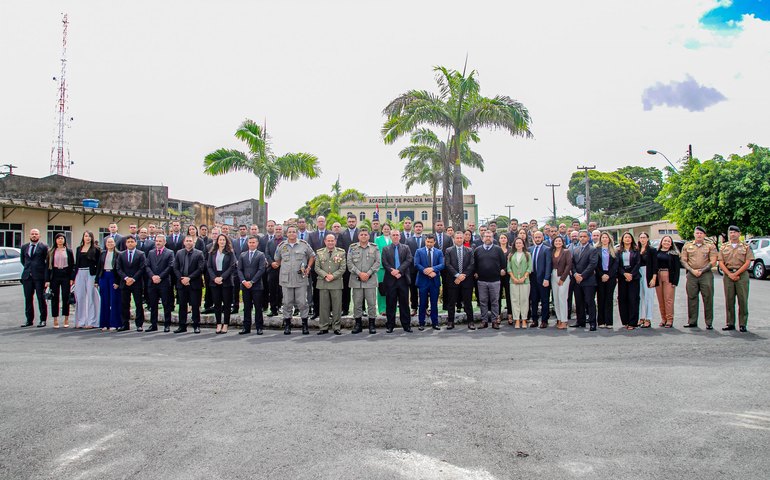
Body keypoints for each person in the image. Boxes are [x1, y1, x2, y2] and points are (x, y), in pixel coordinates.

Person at [274, 225, 316, 335]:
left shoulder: (303, 245)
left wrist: (308, 268)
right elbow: (277, 259)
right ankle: (287, 325)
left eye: (294, 232)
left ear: (296, 233)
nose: (292, 234)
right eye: (290, 232)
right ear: (286, 234)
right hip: (286, 279)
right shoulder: (281, 246)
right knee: (287, 303)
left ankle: (305, 325)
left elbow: (312, 256)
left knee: (302, 302)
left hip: (300, 279)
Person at [681, 226, 718, 329]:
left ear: (704, 235)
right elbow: (683, 260)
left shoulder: (710, 246)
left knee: (708, 298)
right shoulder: (687, 246)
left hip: (705, 274)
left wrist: (702, 270)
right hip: (692, 274)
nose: (699, 235)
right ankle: (692, 321)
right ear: (694, 234)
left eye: (701, 233)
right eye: (697, 233)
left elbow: (713, 260)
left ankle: (709, 322)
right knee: (691, 297)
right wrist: (692, 270)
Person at [718, 225, 753, 332]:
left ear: (739, 234)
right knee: (729, 300)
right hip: (728, 275)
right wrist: (729, 274)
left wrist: (736, 273)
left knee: (742, 300)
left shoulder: (746, 246)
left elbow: (748, 262)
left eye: (735, 232)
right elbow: (720, 262)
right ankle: (730, 323)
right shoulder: (723, 247)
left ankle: (743, 324)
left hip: (741, 275)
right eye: (731, 232)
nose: (733, 234)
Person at [348, 228, 381, 334]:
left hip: (370, 280)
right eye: (361, 234)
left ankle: (372, 324)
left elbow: (378, 262)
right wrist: (359, 273)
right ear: (358, 236)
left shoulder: (374, 248)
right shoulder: (352, 248)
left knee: (371, 304)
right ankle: (358, 324)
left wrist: (368, 273)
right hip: (356, 280)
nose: (363, 236)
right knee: (357, 303)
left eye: (365, 234)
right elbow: (349, 263)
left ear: (368, 236)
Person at [381, 230, 413, 333]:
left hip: (402, 279)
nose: (395, 236)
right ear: (390, 237)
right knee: (390, 303)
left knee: (404, 303)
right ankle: (390, 325)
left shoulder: (406, 248)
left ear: (400, 237)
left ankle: (406, 325)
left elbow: (408, 260)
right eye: (393, 235)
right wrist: (392, 271)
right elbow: (384, 262)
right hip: (390, 280)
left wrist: (399, 271)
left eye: (397, 235)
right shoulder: (386, 249)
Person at [473, 231, 506, 329]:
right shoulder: (477, 250)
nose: (488, 238)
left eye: (490, 236)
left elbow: (503, 264)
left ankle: (495, 320)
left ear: (493, 238)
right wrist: (475, 272)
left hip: (495, 281)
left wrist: (503, 270)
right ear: (482, 238)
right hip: (482, 281)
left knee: (495, 301)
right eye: (486, 236)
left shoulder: (498, 249)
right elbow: (474, 264)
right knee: (483, 301)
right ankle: (484, 321)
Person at [314, 233, 346, 335]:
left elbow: (343, 268)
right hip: (323, 282)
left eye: (332, 241)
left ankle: (336, 327)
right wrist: (326, 276)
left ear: (335, 241)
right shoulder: (319, 253)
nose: (330, 242)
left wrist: (333, 276)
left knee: (337, 307)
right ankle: (323, 327)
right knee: (323, 306)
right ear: (325, 242)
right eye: (329, 241)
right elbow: (317, 268)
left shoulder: (341, 253)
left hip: (336, 282)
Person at [173, 235, 206, 334]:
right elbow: (175, 267)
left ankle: (196, 325)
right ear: (184, 242)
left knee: (195, 306)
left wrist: (189, 278)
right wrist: (182, 278)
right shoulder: (179, 253)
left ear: (193, 243)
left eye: (190, 241)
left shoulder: (199, 253)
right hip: (182, 283)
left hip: (194, 283)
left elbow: (200, 268)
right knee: (182, 306)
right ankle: (182, 326)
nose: (188, 242)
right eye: (186, 241)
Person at [144, 234, 175, 332]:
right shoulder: (151, 252)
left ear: (164, 242)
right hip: (152, 282)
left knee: (166, 304)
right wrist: (153, 276)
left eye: (160, 241)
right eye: (156, 241)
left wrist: (160, 277)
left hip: (164, 282)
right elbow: (147, 266)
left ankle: (167, 324)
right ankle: (153, 324)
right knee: (153, 305)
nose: (158, 243)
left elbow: (170, 266)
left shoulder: (170, 253)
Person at [444, 231, 475, 330]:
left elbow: (472, 264)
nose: (459, 239)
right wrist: (457, 275)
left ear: (463, 238)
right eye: (457, 238)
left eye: (461, 238)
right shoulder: (448, 250)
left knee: (468, 302)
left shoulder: (469, 250)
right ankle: (450, 322)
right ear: (454, 239)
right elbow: (447, 264)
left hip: (466, 280)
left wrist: (463, 275)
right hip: (453, 280)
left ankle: (470, 322)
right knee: (451, 302)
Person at [237, 235, 267, 335]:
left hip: (256, 285)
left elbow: (261, 269)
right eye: (250, 242)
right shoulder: (242, 255)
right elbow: (239, 270)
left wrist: (252, 281)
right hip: (245, 285)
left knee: (258, 307)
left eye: (253, 242)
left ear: (257, 243)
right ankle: (246, 327)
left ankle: (259, 327)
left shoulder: (261, 255)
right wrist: (243, 281)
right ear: (247, 243)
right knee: (247, 307)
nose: (251, 244)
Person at [207, 234, 236, 334]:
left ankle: (226, 324)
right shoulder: (212, 252)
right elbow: (209, 266)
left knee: (227, 304)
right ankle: (218, 323)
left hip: (226, 280)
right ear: (217, 241)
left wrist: (222, 277)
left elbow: (232, 266)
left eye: (224, 240)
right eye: (220, 240)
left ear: (226, 241)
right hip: (215, 280)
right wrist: (214, 278)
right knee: (217, 303)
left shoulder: (230, 253)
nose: (222, 241)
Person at [20, 229, 49, 328]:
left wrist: (46, 278)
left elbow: (47, 262)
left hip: (39, 277)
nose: (34, 235)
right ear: (29, 235)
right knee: (28, 298)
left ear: (39, 236)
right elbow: (23, 261)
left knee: (41, 298)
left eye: (36, 234)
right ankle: (29, 320)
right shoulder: (24, 247)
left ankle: (43, 320)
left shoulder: (44, 247)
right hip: (27, 277)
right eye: (32, 234)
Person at [115, 236, 145, 332]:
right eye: (128, 242)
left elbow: (142, 268)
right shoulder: (121, 255)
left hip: (137, 283)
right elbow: (118, 268)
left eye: (132, 241)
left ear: (136, 243)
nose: (130, 243)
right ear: (126, 244)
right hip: (125, 283)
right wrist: (126, 278)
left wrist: (133, 279)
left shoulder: (141, 254)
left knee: (138, 304)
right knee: (124, 304)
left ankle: (139, 324)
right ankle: (125, 324)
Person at [414, 234, 444, 330]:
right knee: (422, 303)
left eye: (431, 242)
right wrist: (426, 272)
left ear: (434, 242)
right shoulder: (419, 251)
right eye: (427, 242)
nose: (429, 244)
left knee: (434, 303)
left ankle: (435, 323)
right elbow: (416, 264)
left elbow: (442, 264)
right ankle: (421, 323)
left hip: (434, 281)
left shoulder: (439, 252)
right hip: (423, 281)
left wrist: (432, 269)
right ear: (425, 241)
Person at [44, 233, 73, 329]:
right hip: (55, 275)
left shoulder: (68, 251)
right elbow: (47, 267)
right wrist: (47, 280)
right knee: (55, 297)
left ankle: (66, 318)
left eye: (62, 238)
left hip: (65, 275)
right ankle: (55, 319)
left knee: (65, 297)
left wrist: (72, 278)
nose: (60, 240)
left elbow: (72, 265)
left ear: (64, 240)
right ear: (55, 240)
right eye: (58, 238)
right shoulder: (51, 251)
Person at [73, 231, 101, 329]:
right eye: (85, 236)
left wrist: (97, 279)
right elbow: (76, 264)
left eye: (89, 236)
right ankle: (81, 321)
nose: (87, 238)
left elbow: (98, 265)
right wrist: (73, 277)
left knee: (91, 297)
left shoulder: (96, 250)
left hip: (91, 274)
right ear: (83, 237)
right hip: (80, 273)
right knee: (80, 297)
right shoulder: (78, 249)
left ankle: (92, 321)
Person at [571, 230, 599, 331]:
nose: (582, 238)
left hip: (588, 280)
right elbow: (572, 263)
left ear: (588, 238)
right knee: (579, 302)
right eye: (581, 236)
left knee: (589, 302)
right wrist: (575, 274)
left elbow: (592, 265)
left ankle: (592, 323)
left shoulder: (592, 249)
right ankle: (580, 321)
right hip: (577, 280)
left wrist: (582, 276)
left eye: (584, 236)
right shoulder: (575, 249)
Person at [95, 236, 121, 331]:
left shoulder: (118, 254)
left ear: (114, 243)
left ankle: (115, 323)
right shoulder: (102, 254)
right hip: (104, 276)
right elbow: (99, 267)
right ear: (105, 244)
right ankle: (104, 323)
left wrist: (117, 282)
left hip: (113, 277)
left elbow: (119, 269)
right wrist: (97, 281)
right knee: (104, 301)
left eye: (111, 242)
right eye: (108, 242)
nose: (110, 244)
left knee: (114, 301)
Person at [616, 232, 641, 330]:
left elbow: (638, 263)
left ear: (632, 239)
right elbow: (617, 265)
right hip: (623, 277)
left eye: (629, 237)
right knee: (622, 299)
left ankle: (632, 322)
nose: (627, 239)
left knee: (633, 299)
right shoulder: (619, 251)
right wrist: (624, 273)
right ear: (622, 239)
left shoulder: (636, 250)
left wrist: (631, 274)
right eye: (625, 237)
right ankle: (625, 321)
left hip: (633, 277)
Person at [654, 235, 681, 328]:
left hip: (669, 276)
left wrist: (675, 282)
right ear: (661, 242)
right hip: (658, 275)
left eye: (668, 241)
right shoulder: (656, 252)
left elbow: (677, 269)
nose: (666, 243)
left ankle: (669, 319)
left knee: (668, 299)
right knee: (660, 299)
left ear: (671, 244)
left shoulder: (674, 254)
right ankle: (663, 319)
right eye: (665, 241)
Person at [336, 214, 359, 316]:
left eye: (353, 221)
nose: (351, 223)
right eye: (349, 221)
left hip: (359, 265)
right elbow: (340, 249)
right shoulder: (342, 234)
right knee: (345, 288)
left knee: (359, 288)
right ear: (347, 222)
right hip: (345, 266)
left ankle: (361, 309)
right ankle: (345, 309)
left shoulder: (360, 233)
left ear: (356, 222)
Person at [529, 231, 552, 328]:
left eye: (539, 237)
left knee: (544, 300)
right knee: (534, 300)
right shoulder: (530, 249)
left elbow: (548, 265)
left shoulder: (547, 249)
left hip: (543, 279)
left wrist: (547, 278)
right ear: (533, 238)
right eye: (536, 237)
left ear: (542, 237)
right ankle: (534, 320)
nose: (537, 239)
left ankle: (544, 320)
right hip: (532, 278)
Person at [308, 216, 329, 320]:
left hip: (329, 267)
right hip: (316, 267)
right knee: (316, 290)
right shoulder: (312, 235)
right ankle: (316, 311)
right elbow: (310, 250)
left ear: (325, 222)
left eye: (323, 221)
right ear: (317, 223)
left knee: (328, 290)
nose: (321, 223)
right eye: (319, 221)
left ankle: (328, 312)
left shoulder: (331, 234)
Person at [508, 237, 532, 328]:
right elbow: (509, 268)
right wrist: (513, 278)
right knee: (515, 300)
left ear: (523, 244)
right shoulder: (511, 255)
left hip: (525, 281)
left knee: (524, 300)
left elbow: (530, 268)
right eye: (516, 243)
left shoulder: (527, 254)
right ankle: (517, 320)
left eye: (520, 243)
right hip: (513, 281)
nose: (518, 244)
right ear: (514, 245)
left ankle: (524, 319)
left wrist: (524, 277)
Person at [596, 231, 618, 329]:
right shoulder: (596, 250)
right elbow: (595, 265)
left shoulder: (614, 250)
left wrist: (608, 275)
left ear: (609, 239)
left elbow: (615, 265)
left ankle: (609, 321)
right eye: (603, 237)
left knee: (609, 299)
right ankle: (601, 321)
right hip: (600, 277)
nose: (604, 239)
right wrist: (602, 275)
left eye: (606, 237)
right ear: (600, 239)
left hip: (611, 277)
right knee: (601, 299)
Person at [550, 235, 572, 330]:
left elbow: (568, 265)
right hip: (553, 275)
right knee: (556, 299)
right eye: (556, 241)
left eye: (559, 241)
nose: (558, 243)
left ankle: (564, 320)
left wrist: (562, 278)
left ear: (562, 242)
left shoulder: (566, 252)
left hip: (563, 276)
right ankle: (559, 319)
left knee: (562, 298)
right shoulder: (553, 252)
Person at [637, 232, 657, 329]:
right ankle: (641, 317)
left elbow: (655, 265)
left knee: (649, 297)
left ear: (648, 239)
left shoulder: (652, 250)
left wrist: (654, 278)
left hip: (648, 274)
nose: (642, 239)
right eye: (641, 237)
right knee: (640, 297)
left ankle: (648, 318)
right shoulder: (637, 250)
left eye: (644, 237)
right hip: (639, 274)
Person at [406, 220, 425, 316]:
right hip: (412, 269)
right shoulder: (408, 240)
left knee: (424, 289)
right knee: (413, 289)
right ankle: (414, 308)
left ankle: (424, 308)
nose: (418, 228)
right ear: (414, 228)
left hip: (424, 269)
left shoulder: (426, 239)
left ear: (422, 228)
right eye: (416, 226)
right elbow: (407, 255)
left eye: (420, 226)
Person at [264, 224, 284, 317]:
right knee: (272, 290)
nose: (278, 230)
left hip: (283, 269)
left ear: (283, 230)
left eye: (280, 229)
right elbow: (267, 254)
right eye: (277, 229)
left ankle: (280, 306)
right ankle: (273, 309)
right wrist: (272, 263)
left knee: (281, 289)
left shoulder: (286, 241)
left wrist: (279, 263)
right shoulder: (270, 242)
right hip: (272, 269)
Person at [374, 223, 393, 314]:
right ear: (382, 230)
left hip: (391, 267)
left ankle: (391, 307)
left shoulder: (393, 239)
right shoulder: (377, 239)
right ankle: (382, 309)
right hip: (381, 267)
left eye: (388, 229)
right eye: (385, 229)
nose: (386, 230)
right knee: (381, 288)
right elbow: (376, 253)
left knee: (391, 288)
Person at [231, 224, 249, 315]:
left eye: (244, 229)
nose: (242, 230)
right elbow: (233, 253)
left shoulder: (250, 241)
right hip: (236, 268)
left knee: (246, 289)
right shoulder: (235, 241)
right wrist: (236, 261)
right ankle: (235, 306)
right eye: (240, 229)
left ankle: (246, 307)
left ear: (246, 230)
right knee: (235, 289)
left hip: (246, 268)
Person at [498, 233, 512, 324]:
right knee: (497, 296)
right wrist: (499, 270)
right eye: (501, 238)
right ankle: (498, 315)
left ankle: (510, 315)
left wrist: (505, 270)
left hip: (508, 275)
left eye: (504, 238)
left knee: (509, 295)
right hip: (498, 275)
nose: (503, 239)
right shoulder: (496, 249)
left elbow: (512, 263)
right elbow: (494, 262)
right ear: (499, 240)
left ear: (507, 240)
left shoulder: (511, 250)